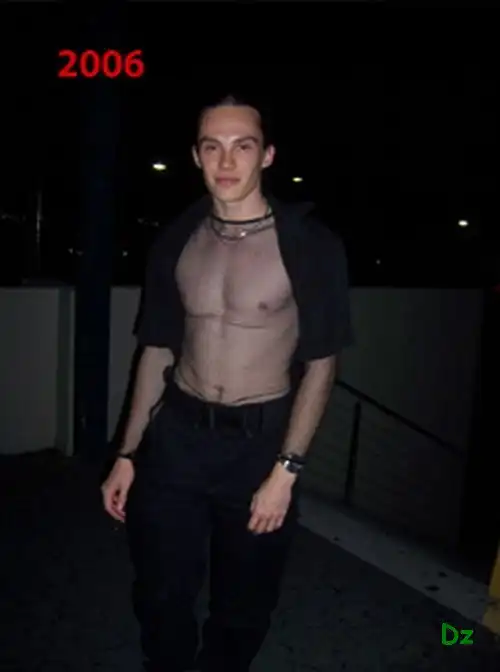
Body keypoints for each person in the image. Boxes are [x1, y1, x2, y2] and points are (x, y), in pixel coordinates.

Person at [101, 94, 354, 672]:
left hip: (259, 445)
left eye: (243, 146)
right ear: (196, 156)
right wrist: (128, 454)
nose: (226, 161)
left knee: (244, 602)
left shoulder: (311, 246)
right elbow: (157, 349)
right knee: (160, 589)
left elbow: (322, 364)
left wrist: (286, 471)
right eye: (212, 147)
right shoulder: (177, 239)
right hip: (177, 438)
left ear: (267, 155)